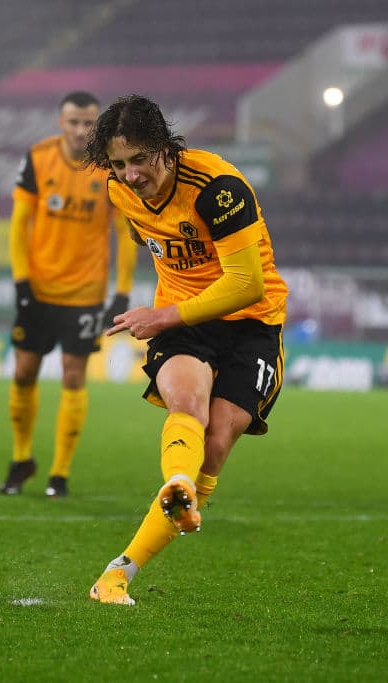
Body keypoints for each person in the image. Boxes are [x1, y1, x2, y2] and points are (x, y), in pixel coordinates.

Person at [82, 94, 288, 605]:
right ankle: (164, 507)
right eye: (119, 164)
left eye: (140, 160)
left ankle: (124, 563)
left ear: (165, 148)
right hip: (182, 318)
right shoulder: (120, 191)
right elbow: (144, 237)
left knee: (216, 442)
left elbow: (247, 284)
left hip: (250, 322)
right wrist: (170, 307)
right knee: (187, 403)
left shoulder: (218, 190)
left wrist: (162, 315)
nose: (130, 175)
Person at [0, 91, 138, 499]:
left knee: (74, 375)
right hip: (38, 290)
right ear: (61, 122)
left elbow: (125, 234)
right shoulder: (38, 158)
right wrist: (21, 281)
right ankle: (22, 457)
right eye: (73, 122)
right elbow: (18, 223)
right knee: (24, 371)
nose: (80, 130)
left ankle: (59, 474)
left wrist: (123, 293)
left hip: (84, 294)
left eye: (88, 123)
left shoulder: (111, 167)